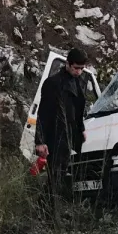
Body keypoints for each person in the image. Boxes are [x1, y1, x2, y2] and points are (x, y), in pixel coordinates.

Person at [35, 48, 88, 206]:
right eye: (76, 68)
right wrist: (40, 141)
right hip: (55, 136)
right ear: (67, 64)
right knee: (55, 176)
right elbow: (43, 113)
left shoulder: (79, 82)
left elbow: (78, 110)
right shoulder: (53, 83)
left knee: (61, 175)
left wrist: (81, 129)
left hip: (69, 136)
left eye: (81, 68)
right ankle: (45, 208)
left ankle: (48, 207)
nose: (79, 72)